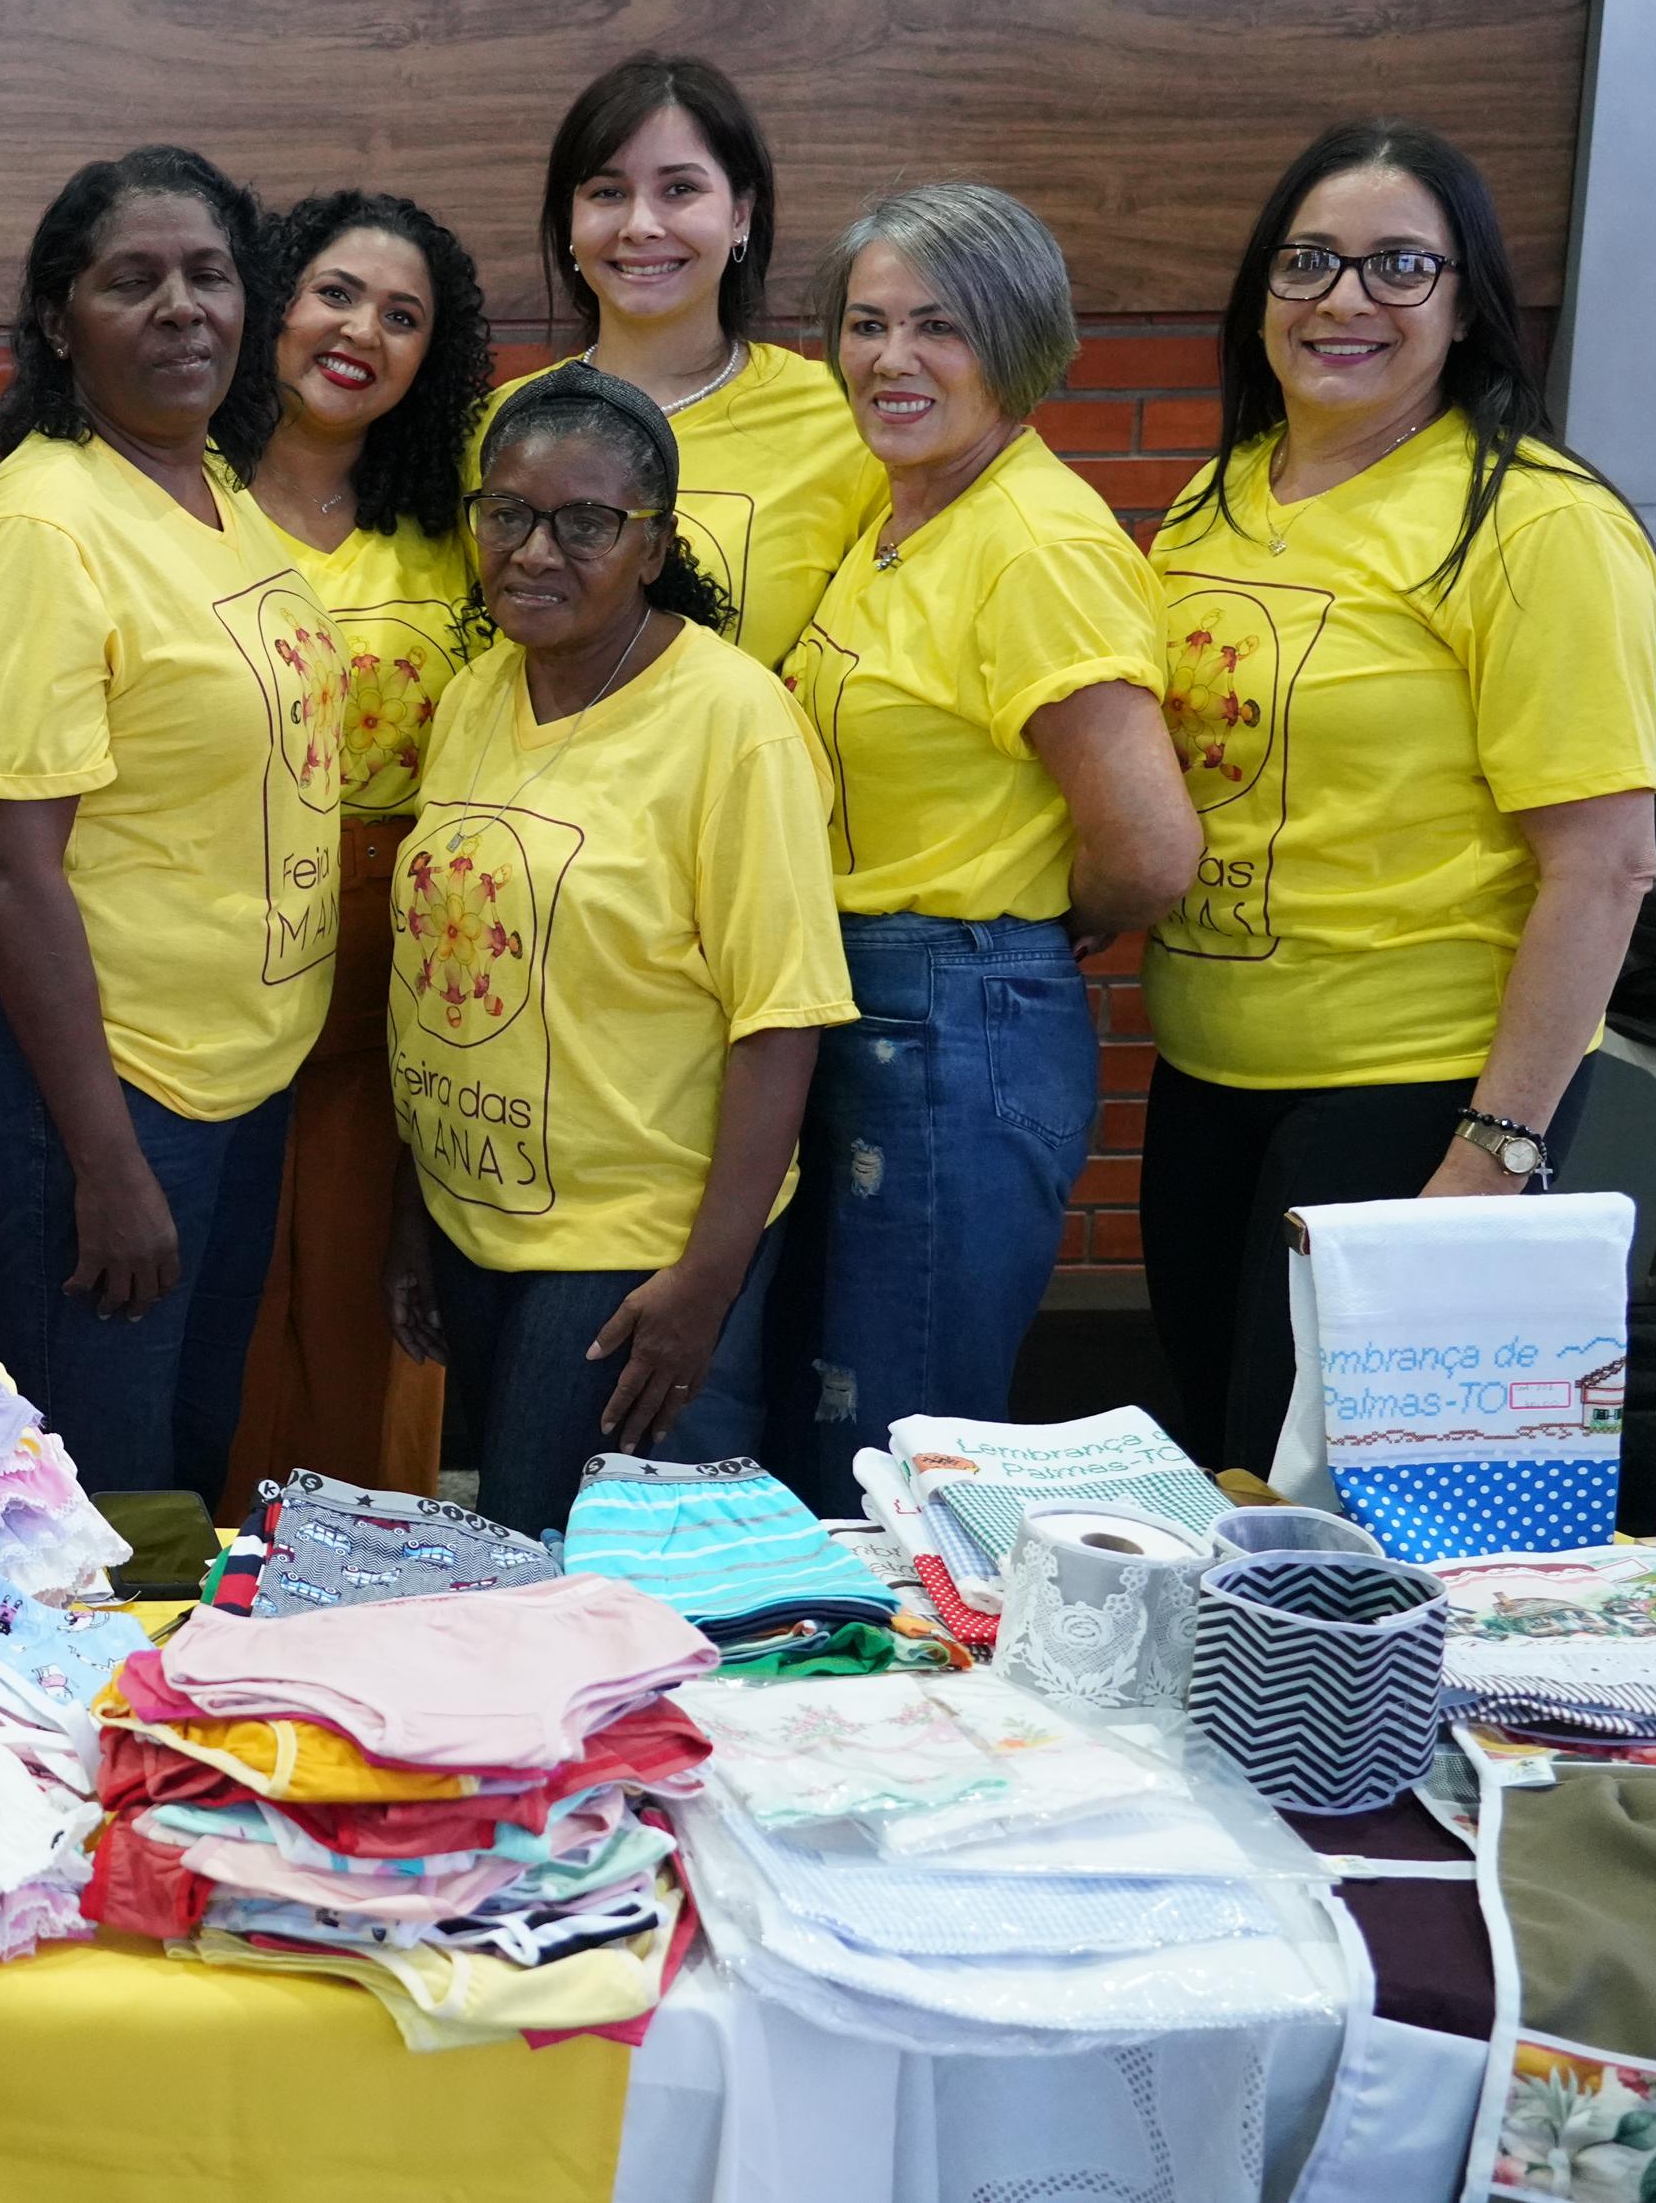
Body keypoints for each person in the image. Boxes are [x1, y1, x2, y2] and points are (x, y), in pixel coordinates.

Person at [1136, 120, 1656, 1475]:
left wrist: (1498, 1147)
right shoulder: (1214, 501)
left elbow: (1603, 867)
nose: (1344, 300)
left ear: (1469, 301)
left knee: (1324, 1510)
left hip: (1415, 1084)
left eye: (1397, 267)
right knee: (1220, 1468)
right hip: (1207, 1072)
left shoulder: (1536, 524)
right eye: (1309, 262)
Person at [760, 185, 1200, 1507]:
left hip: (956, 1018)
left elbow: (1150, 850)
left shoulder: (1035, 545)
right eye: (868, 324)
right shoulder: (907, 512)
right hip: (873, 1004)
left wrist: (1019, 920)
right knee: (842, 1416)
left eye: (938, 326)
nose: (893, 360)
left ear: (1018, 343)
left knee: (903, 1447)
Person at [0, 144, 338, 1508]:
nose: (182, 308)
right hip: (100, 1096)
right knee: (103, 1511)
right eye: (133, 280)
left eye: (210, 274)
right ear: (59, 319)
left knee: (188, 1461)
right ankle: (78, 1730)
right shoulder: (51, 516)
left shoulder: (215, 488)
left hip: (228, 1082)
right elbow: (3, 859)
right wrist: (104, 1165)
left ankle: (153, 1725)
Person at [383, 366, 852, 1539]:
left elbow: (779, 1017)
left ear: (650, 546)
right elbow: (433, 980)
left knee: (568, 1571)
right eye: (506, 514)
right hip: (471, 1220)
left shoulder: (732, 722)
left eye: (584, 522)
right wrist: (412, 1214)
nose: (534, 551)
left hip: (630, 1249)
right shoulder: (476, 694)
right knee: (507, 1545)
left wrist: (706, 1281)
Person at [223, 188, 490, 1502]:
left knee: (367, 1311)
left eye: (403, 316)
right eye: (334, 292)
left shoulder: (452, 537)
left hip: (398, 980)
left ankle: (364, 1623)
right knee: (206, 1307)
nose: (361, 331)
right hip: (206, 952)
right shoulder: (177, 502)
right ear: (272, 300)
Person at [478, 53, 883, 671]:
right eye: (608, 192)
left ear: (740, 214)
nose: (641, 225)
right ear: (570, 219)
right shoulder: (502, 423)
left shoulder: (845, 422)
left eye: (680, 190)